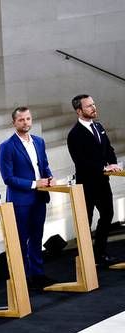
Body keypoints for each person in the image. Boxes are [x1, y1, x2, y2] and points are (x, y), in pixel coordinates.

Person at [0, 107, 55, 288]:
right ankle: (22, 279)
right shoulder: (6, 146)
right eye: (21, 120)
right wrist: (34, 184)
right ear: (14, 122)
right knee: (20, 240)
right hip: (20, 200)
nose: (26, 123)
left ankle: (38, 275)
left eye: (28, 119)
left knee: (37, 237)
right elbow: (8, 178)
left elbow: (44, 165)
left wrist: (50, 178)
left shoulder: (39, 141)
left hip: (39, 197)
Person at [67, 94, 121, 265]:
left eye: (93, 104)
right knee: (86, 220)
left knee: (107, 214)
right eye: (89, 106)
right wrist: (102, 167)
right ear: (79, 110)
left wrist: (113, 163)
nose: (93, 108)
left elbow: (108, 148)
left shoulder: (98, 126)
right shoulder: (74, 134)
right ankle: (86, 257)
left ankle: (100, 253)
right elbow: (81, 161)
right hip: (86, 184)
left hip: (102, 182)